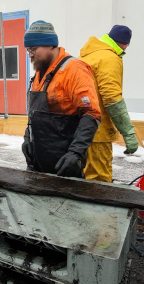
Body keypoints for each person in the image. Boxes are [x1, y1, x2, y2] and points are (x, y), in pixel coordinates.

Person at [20, 21, 102, 178]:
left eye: (33, 48)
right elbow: (35, 114)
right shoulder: (40, 72)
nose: (30, 54)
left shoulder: (74, 70)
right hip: (38, 161)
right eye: (27, 50)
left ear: (50, 45)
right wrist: (27, 140)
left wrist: (75, 153)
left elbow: (91, 114)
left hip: (65, 163)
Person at [79, 25, 141, 182]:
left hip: (80, 128)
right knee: (99, 180)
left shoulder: (87, 56)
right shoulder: (110, 58)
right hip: (98, 131)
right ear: (125, 44)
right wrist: (127, 132)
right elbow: (112, 97)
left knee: (83, 175)